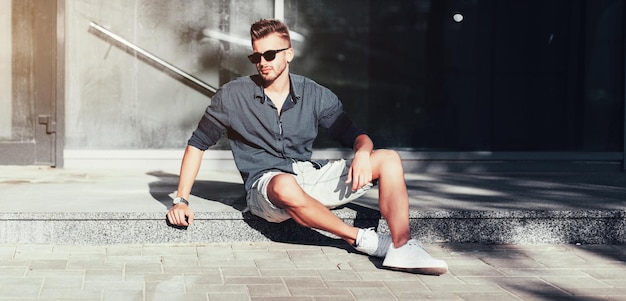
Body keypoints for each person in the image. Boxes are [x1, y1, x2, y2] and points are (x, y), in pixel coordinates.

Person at [167, 18, 448, 275]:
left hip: (307, 176)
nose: (262, 62)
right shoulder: (232, 96)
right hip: (266, 188)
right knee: (284, 184)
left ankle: (401, 246)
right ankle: (365, 240)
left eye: (270, 54)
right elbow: (197, 145)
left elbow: (356, 135)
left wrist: (362, 153)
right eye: (256, 56)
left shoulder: (314, 94)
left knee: (388, 159)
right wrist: (181, 200)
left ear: (289, 54)